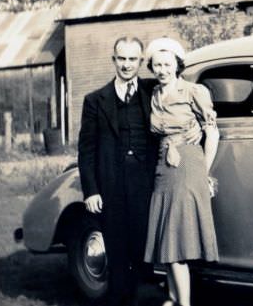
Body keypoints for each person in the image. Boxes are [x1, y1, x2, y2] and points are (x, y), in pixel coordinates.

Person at [78, 36, 159, 306]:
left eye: (132, 59)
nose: (126, 65)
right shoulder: (95, 100)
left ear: (141, 61)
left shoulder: (153, 91)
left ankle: (138, 298)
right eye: (121, 59)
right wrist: (91, 191)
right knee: (116, 251)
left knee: (142, 251)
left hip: (145, 186)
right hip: (111, 187)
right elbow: (86, 150)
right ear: (113, 60)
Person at [142, 37, 220, 306]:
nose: (162, 69)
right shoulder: (153, 95)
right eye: (157, 65)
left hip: (188, 164)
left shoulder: (193, 92)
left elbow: (212, 133)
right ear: (152, 68)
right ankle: (173, 298)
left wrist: (203, 172)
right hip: (164, 165)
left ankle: (183, 304)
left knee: (176, 242)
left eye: (167, 64)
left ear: (177, 65)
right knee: (168, 237)